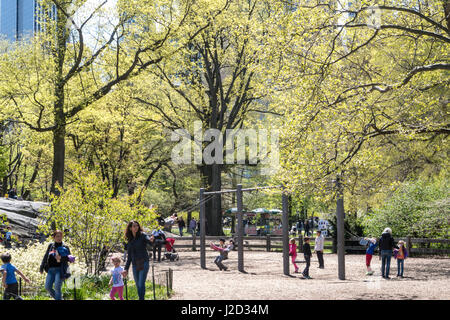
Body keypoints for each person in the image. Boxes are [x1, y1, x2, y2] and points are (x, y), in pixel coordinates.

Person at [123, 221, 152, 300]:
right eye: (134, 226)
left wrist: (151, 240)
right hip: (135, 264)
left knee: (140, 283)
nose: (136, 227)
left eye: (137, 226)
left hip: (143, 262)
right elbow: (129, 257)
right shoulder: (128, 240)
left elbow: (149, 241)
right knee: (137, 284)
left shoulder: (143, 235)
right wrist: (126, 269)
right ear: (130, 228)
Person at [39, 230, 71, 300]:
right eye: (57, 236)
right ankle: (59, 299)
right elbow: (46, 256)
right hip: (50, 270)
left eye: (61, 236)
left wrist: (61, 258)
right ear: (54, 237)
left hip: (60, 270)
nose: (59, 238)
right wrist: (41, 267)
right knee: (47, 287)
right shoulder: (51, 246)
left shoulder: (65, 246)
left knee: (57, 287)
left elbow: (70, 258)